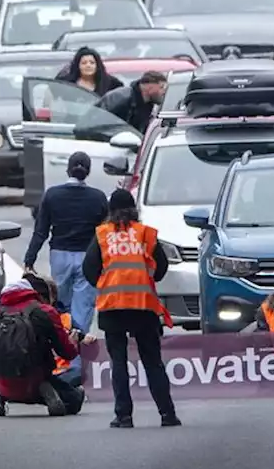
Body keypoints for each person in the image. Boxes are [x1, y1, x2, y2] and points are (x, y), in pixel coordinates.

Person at [83, 188, 180, 428]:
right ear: (134, 209)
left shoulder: (102, 235)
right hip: (143, 306)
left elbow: (89, 269)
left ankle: (123, 416)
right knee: (153, 362)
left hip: (113, 306)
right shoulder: (143, 234)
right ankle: (167, 414)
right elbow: (161, 267)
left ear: (110, 211)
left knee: (118, 362)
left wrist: (106, 282)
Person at [23, 151, 109, 339]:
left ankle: (62, 342)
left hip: (59, 254)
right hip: (88, 256)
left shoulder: (52, 195)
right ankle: (79, 344)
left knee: (60, 302)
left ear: (68, 170)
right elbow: (105, 232)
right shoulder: (99, 198)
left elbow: (41, 231)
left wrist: (30, 259)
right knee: (83, 304)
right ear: (88, 172)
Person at [0, 277, 85, 418]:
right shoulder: (45, 312)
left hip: (5, 382)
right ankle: (47, 390)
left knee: (7, 382)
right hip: (35, 380)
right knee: (75, 398)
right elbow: (67, 352)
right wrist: (74, 342)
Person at [43, 274, 95, 388]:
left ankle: (56, 388)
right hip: (41, 373)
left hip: (63, 371)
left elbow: (79, 333)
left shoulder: (66, 317)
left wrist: (85, 338)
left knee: (78, 373)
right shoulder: (31, 317)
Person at [95, 70, 168, 135]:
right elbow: (99, 124)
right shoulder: (121, 98)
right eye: (161, 87)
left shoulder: (148, 105)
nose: (164, 92)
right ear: (149, 87)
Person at [55, 46, 123, 96]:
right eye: (84, 63)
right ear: (78, 66)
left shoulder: (112, 84)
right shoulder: (67, 84)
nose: (88, 65)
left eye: (92, 63)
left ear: (97, 65)